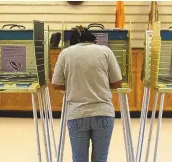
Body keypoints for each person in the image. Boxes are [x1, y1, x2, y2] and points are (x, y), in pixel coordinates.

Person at [52, 27, 122, 162]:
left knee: (79, 159)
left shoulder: (65, 53)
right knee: (101, 158)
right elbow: (117, 82)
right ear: (93, 39)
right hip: (103, 112)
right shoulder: (105, 51)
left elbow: (56, 84)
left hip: (77, 114)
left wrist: (73, 85)